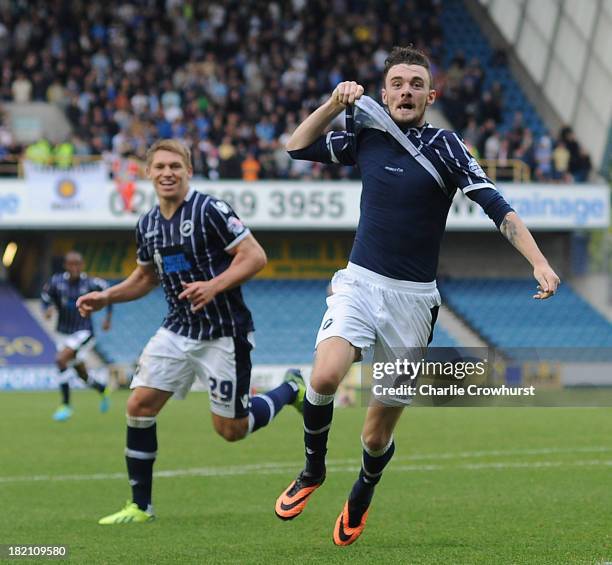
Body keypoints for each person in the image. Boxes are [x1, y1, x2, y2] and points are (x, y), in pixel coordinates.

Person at [274, 46, 560, 546]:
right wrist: (332, 104)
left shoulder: (448, 147)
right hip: (360, 283)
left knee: (375, 434)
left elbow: (498, 207)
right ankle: (312, 471)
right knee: (323, 374)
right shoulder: (366, 133)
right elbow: (297, 147)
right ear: (384, 94)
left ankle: (363, 489)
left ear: (432, 94)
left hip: (413, 304)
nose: (406, 90)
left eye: (415, 83)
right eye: (397, 83)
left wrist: (538, 261)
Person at [76, 139, 305, 525]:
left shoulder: (210, 210)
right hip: (177, 329)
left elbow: (255, 256)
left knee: (232, 430)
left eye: (175, 167)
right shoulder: (147, 224)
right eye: (160, 167)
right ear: (148, 173)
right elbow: (146, 277)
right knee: (138, 407)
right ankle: (140, 506)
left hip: (224, 332)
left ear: (188, 171)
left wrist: (214, 285)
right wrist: (107, 297)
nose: (167, 173)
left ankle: (291, 388)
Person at [41, 251, 112, 422]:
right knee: (80, 373)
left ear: (82, 265)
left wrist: (108, 318)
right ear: (65, 265)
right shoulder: (56, 282)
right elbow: (45, 297)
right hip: (62, 332)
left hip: (83, 332)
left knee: (60, 360)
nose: (75, 268)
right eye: (71, 264)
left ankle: (66, 405)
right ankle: (102, 389)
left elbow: (109, 292)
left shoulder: (91, 283)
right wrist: (48, 309)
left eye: (77, 264)